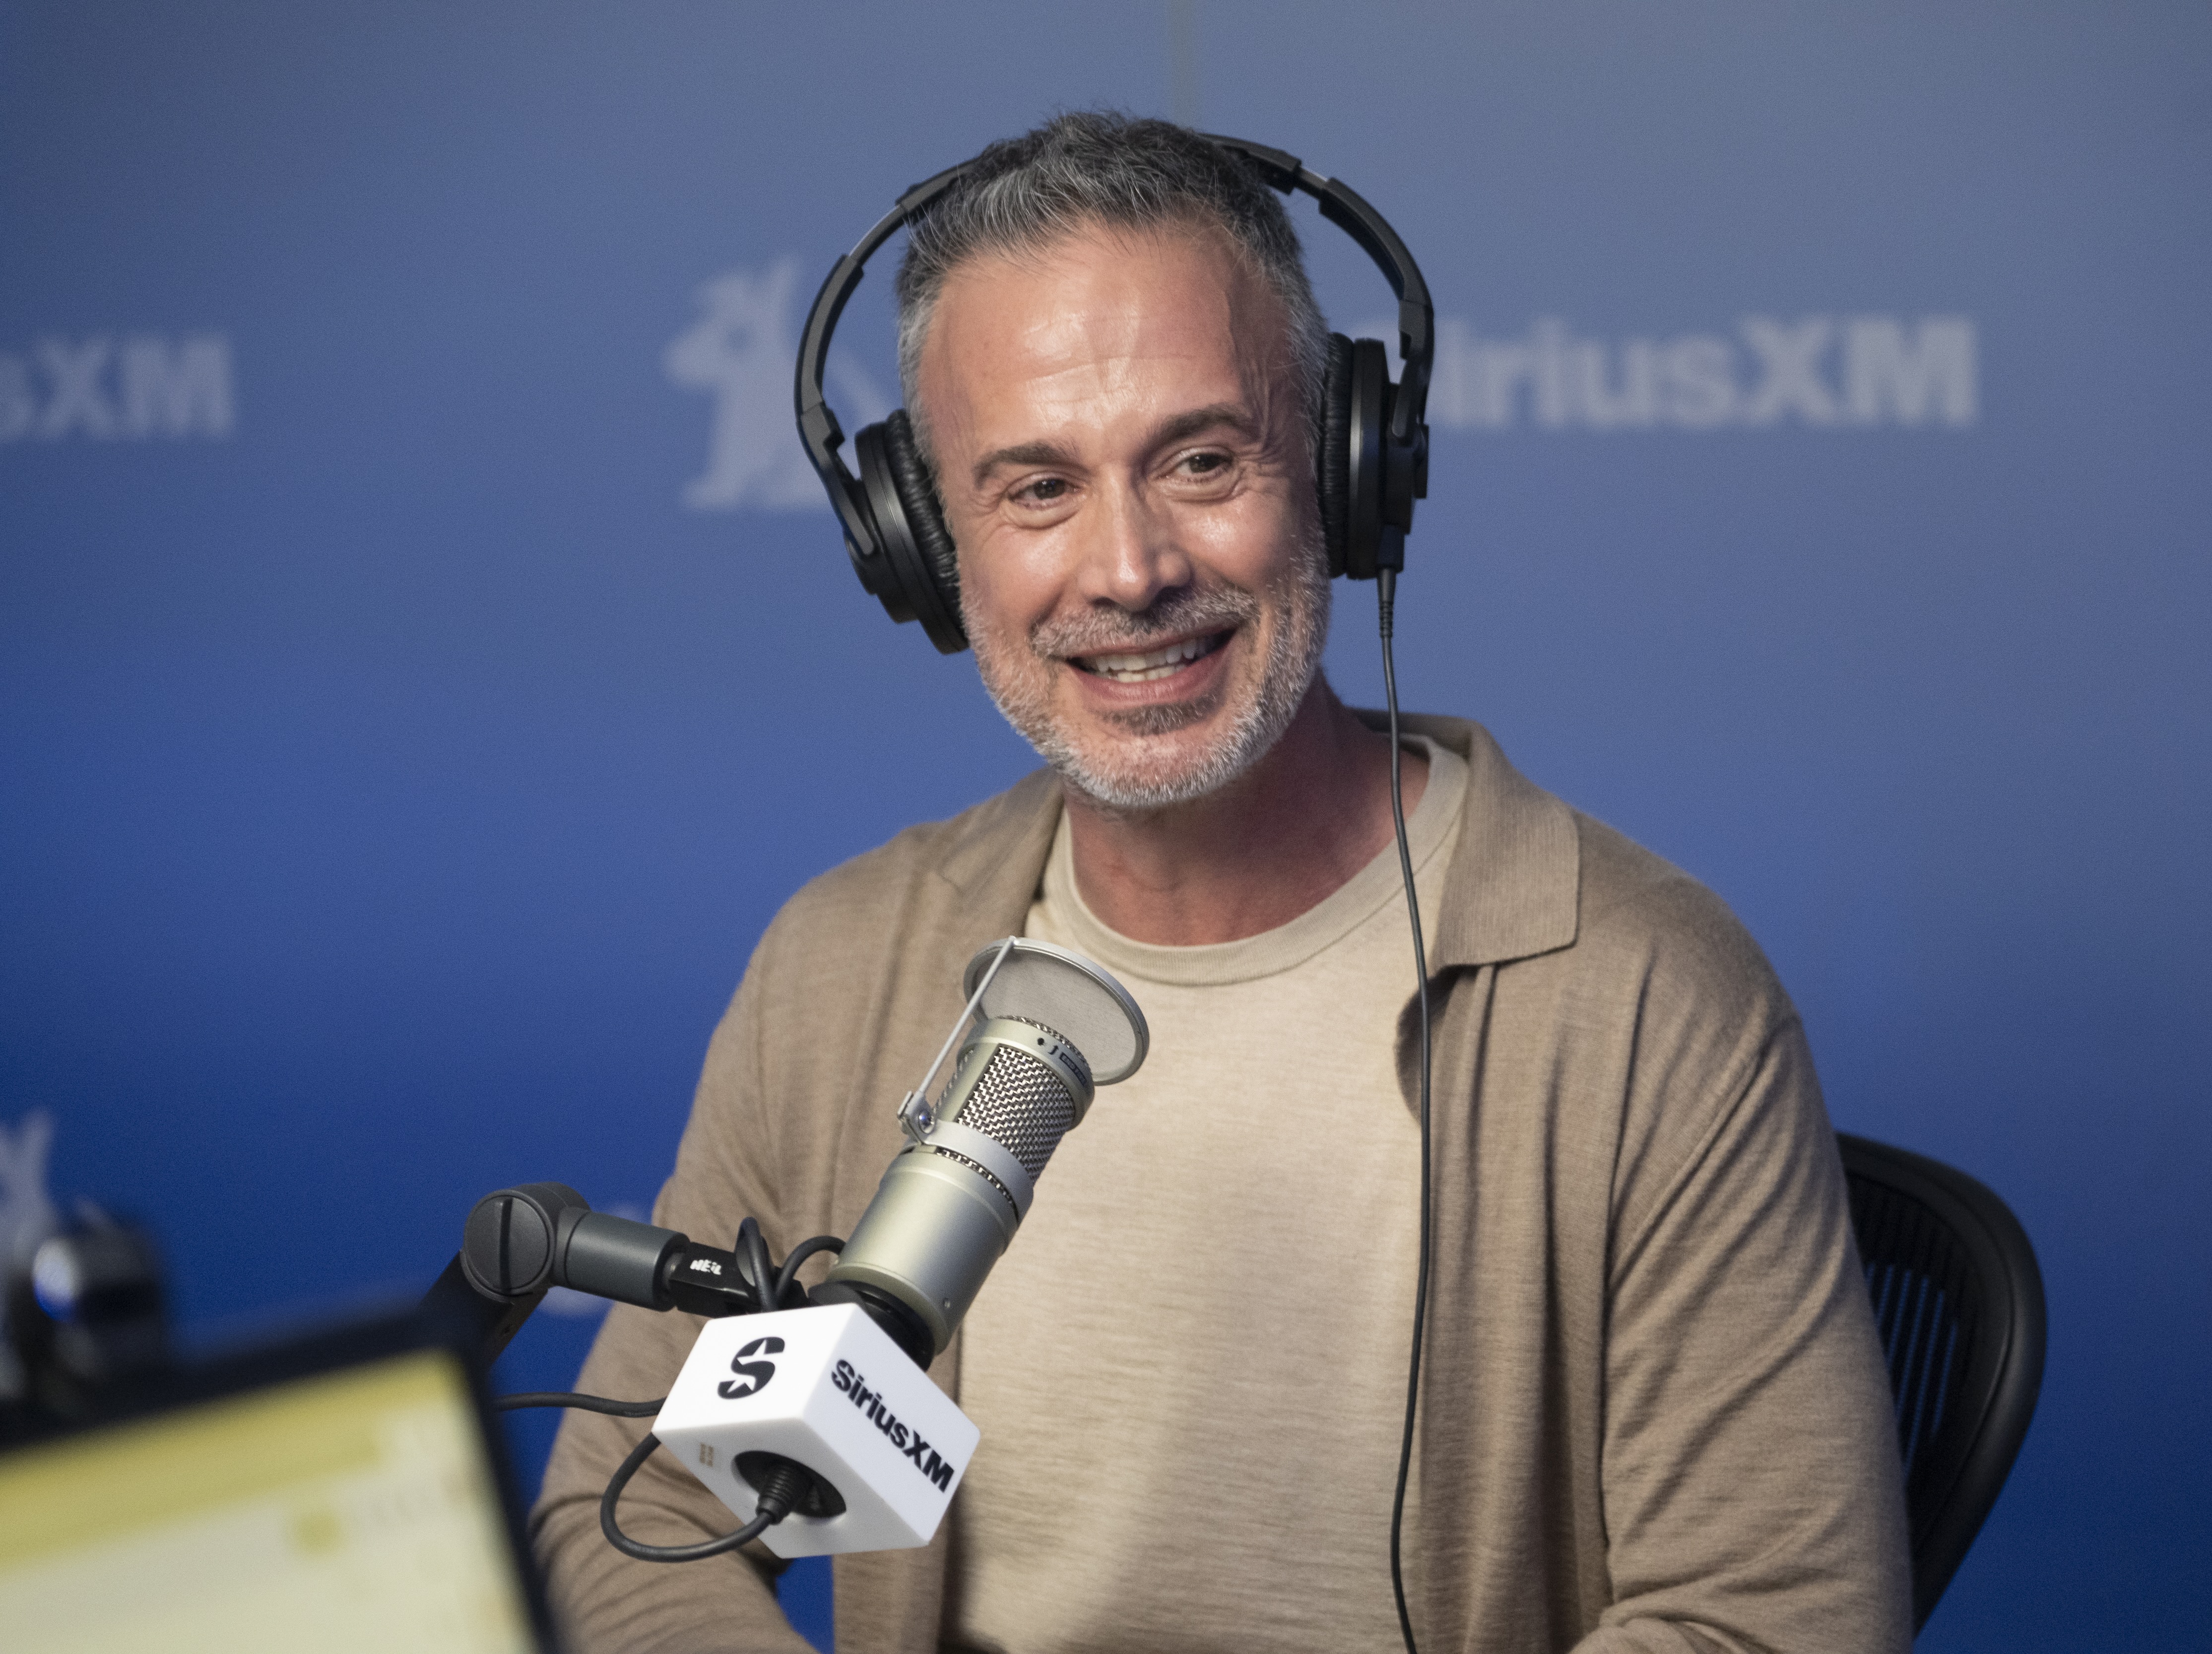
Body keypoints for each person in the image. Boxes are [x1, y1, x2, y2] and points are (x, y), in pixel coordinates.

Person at [533, 112, 1911, 1654]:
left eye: (1201, 460)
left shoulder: (1640, 993)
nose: (1129, 572)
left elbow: (1778, 1618)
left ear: (1342, 467)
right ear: (928, 550)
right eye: (1035, 489)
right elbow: (638, 1517)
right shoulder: (845, 965)